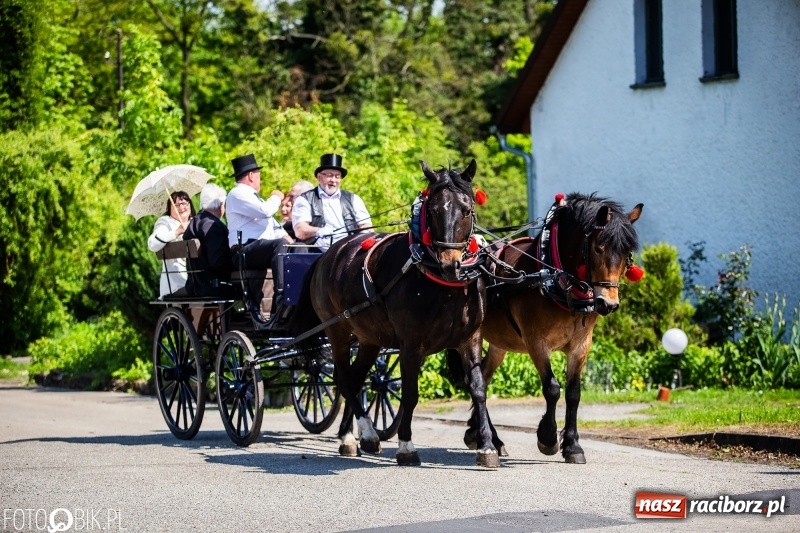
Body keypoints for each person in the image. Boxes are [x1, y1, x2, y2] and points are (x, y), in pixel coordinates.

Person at [225, 153, 292, 329]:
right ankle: (282, 294)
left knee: (297, 247)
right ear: (251, 175)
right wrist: (277, 196)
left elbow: (272, 224)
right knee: (280, 244)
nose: (260, 180)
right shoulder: (237, 193)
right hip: (244, 251)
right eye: (259, 175)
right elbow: (265, 211)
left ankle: (300, 298)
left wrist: (288, 237)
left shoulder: (253, 197)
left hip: (259, 249)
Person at [291, 154, 372, 251]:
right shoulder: (305, 199)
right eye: (329, 175)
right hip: (318, 251)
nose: (333, 180)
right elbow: (300, 230)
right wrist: (318, 231)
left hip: (348, 250)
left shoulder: (353, 199)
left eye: (337, 176)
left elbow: (366, 226)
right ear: (319, 177)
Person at [183, 183, 235, 299]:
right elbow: (217, 262)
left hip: (194, 285)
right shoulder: (212, 225)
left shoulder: (194, 222)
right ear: (220, 205)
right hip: (214, 286)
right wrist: (236, 263)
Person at [147, 190, 196, 299]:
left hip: (196, 276)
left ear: (190, 205)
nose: (181, 207)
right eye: (176, 205)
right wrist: (176, 232)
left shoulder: (196, 222)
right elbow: (152, 244)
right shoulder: (165, 223)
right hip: (176, 283)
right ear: (170, 209)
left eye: (184, 203)